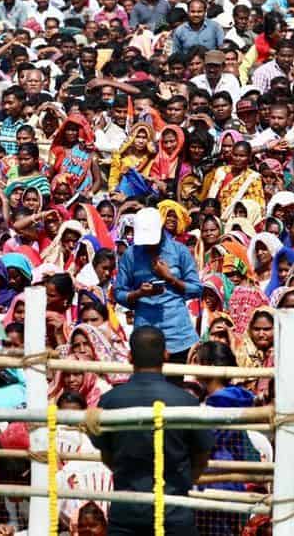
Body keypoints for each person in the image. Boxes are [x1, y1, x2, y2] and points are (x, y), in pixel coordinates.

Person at [89, 326, 215, 535]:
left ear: (129, 357)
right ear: (166, 355)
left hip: (126, 513)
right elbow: (202, 456)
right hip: (173, 511)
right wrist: (181, 482)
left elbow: (106, 455)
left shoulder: (109, 401)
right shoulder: (186, 402)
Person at [115, 208, 202, 375]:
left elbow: (197, 289)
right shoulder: (130, 255)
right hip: (145, 333)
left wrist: (171, 279)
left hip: (178, 333)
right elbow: (119, 292)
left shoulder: (180, 251)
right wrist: (139, 293)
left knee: (177, 388)